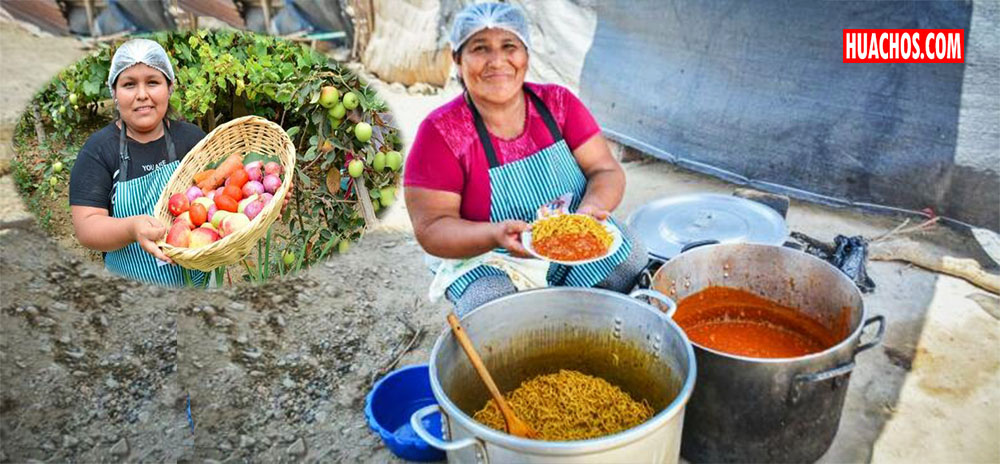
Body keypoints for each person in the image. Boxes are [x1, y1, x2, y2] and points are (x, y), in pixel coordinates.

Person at [404, 3, 648, 316]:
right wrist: (495, 235)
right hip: (488, 256)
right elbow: (432, 228)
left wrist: (588, 213)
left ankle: (582, 327)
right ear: (457, 59)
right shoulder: (441, 133)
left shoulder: (558, 105)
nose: (497, 61)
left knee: (629, 256)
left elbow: (605, 170)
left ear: (526, 55)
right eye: (480, 48)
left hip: (569, 239)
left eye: (509, 46)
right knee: (491, 306)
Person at [70, 39, 208, 286]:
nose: (142, 95)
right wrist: (132, 229)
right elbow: (87, 228)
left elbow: (219, 197)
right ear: (114, 92)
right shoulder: (99, 150)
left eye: (153, 82)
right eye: (129, 84)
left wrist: (264, 201)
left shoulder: (192, 139)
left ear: (169, 86)